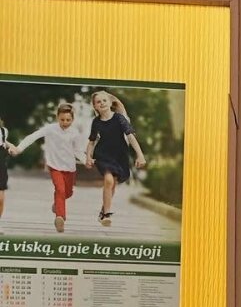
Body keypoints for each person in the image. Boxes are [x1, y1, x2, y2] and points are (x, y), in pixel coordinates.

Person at [9, 103, 87, 233]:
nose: (65, 122)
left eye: (68, 120)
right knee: (60, 190)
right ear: (57, 117)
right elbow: (33, 136)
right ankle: (60, 217)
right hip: (54, 166)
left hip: (70, 168)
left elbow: (78, 151)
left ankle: (57, 204)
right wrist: (19, 148)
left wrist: (86, 161)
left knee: (68, 193)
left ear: (72, 119)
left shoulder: (75, 133)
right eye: (62, 119)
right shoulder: (50, 129)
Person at [85, 89, 147, 227]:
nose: (102, 103)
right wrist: (88, 156)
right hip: (103, 154)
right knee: (108, 180)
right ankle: (107, 214)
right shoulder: (96, 122)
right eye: (98, 102)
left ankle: (103, 211)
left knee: (112, 184)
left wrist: (140, 155)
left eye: (104, 100)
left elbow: (130, 136)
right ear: (95, 106)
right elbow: (92, 141)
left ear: (110, 102)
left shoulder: (119, 118)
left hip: (119, 155)